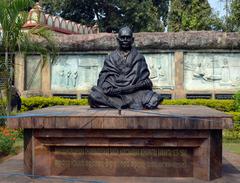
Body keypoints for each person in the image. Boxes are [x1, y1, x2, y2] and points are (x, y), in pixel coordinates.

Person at [88, 26, 163, 109]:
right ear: (118, 39)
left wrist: (136, 86)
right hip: (115, 94)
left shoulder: (139, 57)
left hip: (135, 93)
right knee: (93, 96)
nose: (125, 40)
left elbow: (146, 81)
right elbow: (104, 80)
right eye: (122, 37)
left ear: (132, 40)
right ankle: (125, 104)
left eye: (127, 38)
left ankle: (121, 104)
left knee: (154, 98)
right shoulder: (110, 58)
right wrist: (113, 88)